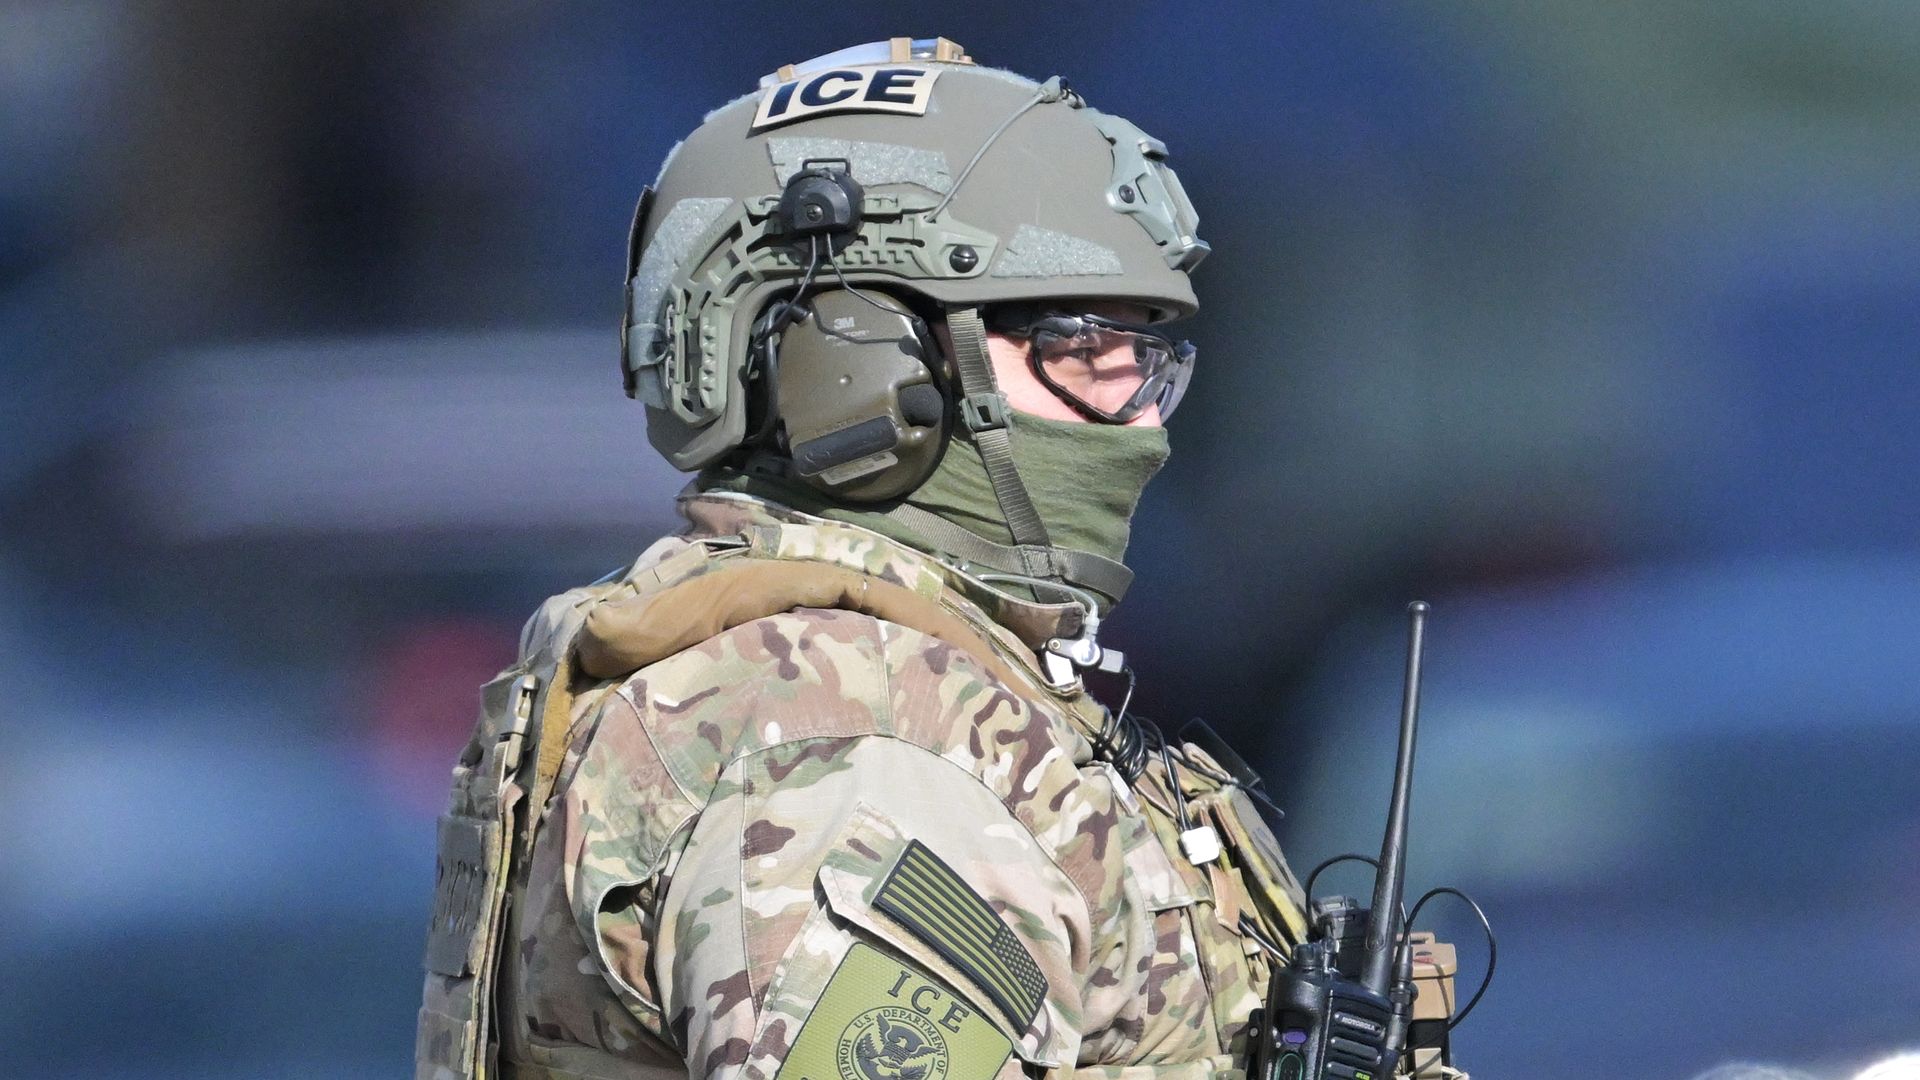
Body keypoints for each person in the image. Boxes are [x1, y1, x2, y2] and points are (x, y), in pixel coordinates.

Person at [417, 37, 1460, 1080]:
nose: (1130, 411)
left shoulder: (899, 698)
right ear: (854, 363)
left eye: (1144, 350)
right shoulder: (845, 750)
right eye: (1070, 339)